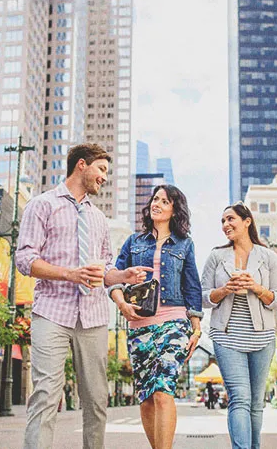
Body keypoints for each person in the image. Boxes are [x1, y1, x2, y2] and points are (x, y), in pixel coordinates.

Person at [17, 143, 150, 449]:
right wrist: (69, 274)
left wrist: (121, 276)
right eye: (101, 169)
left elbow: (104, 268)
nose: (104, 177)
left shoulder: (99, 219)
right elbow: (25, 260)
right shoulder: (42, 205)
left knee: (96, 401)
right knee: (46, 395)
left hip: (92, 317)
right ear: (81, 165)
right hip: (52, 311)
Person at [109, 184, 203, 449]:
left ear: (175, 210)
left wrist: (195, 328)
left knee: (163, 391)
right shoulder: (133, 242)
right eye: (155, 199)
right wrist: (121, 304)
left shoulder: (185, 244)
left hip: (174, 322)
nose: (156, 203)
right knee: (147, 397)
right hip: (139, 324)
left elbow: (192, 287)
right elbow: (113, 277)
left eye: (164, 200)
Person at [201, 202, 277, 449]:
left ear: (247, 221)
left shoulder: (268, 256)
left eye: (230, 219)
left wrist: (257, 288)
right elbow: (202, 298)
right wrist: (224, 290)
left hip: (262, 337)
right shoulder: (217, 256)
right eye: (222, 221)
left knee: (256, 403)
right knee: (240, 398)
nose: (226, 225)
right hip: (227, 337)